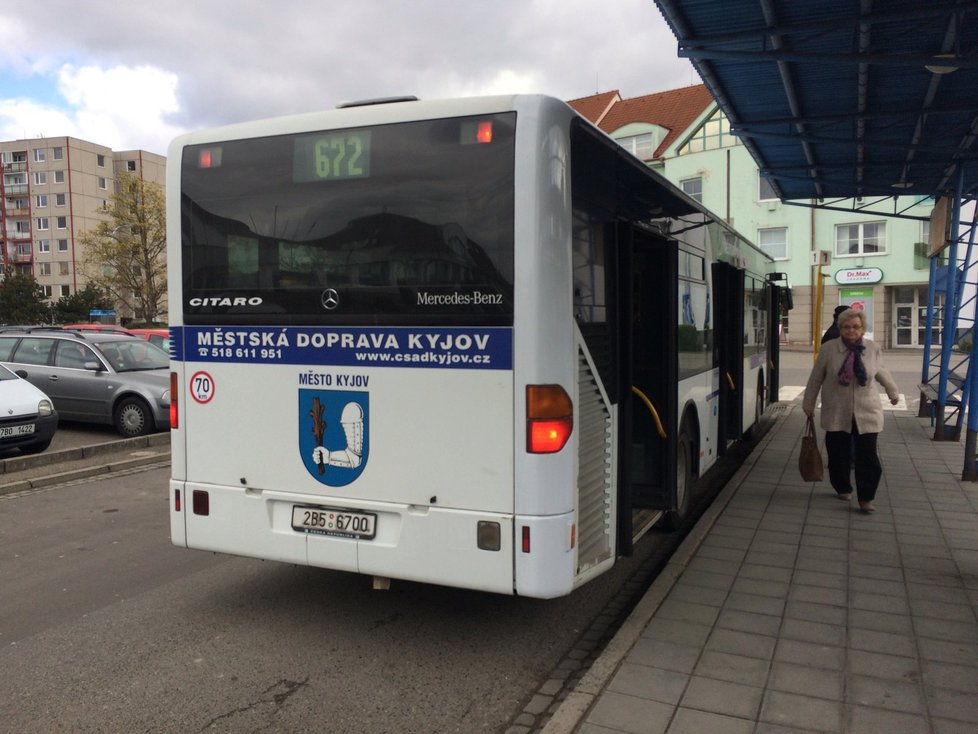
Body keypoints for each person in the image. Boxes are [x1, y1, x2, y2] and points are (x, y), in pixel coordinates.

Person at [803, 308, 900, 513]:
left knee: (868, 458)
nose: (851, 331)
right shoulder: (829, 349)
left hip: (867, 410)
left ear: (863, 329)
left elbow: (882, 371)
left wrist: (893, 392)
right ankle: (842, 487)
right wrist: (808, 405)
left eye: (856, 327)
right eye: (847, 327)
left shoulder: (872, 348)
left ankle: (866, 498)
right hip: (837, 409)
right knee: (838, 454)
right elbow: (815, 378)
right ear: (840, 329)